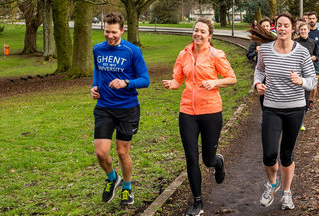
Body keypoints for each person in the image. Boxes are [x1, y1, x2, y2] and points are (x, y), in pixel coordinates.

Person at [162, 18, 237, 216]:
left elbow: (232, 78)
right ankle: (197, 203)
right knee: (191, 159)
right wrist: (172, 84)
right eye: (196, 30)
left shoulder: (216, 54)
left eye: (203, 31)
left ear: (209, 35)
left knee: (207, 159)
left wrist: (215, 83)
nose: (198, 34)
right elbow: (179, 80)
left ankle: (217, 162)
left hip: (211, 112)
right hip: (187, 112)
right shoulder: (183, 54)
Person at [253, 12, 317, 210]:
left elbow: (313, 80)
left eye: (285, 26)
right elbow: (260, 69)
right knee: (269, 155)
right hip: (271, 108)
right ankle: (272, 184)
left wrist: (301, 81)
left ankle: (287, 192)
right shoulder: (265, 49)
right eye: (278, 25)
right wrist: (257, 83)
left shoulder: (301, 52)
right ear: (275, 27)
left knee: (287, 155)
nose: (281, 28)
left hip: (295, 109)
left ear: (293, 29)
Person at [90, 12, 150, 206]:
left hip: (127, 108)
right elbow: (98, 69)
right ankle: (112, 177)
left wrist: (126, 82)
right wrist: (95, 86)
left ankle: (127, 188)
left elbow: (145, 80)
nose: (110, 36)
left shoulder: (132, 51)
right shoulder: (98, 49)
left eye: (114, 32)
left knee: (122, 152)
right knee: (101, 153)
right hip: (104, 107)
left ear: (122, 30)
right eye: (107, 32)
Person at [294, 21, 319, 130]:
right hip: (297, 74)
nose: (303, 31)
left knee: (305, 99)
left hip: (308, 74)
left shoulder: (313, 42)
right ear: (299, 31)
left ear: (308, 31)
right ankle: (293, 121)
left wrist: (315, 58)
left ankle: (301, 122)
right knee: (295, 99)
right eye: (301, 30)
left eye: (305, 29)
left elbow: (317, 56)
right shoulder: (294, 42)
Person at [247, 17, 274, 110]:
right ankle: (265, 116)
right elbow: (249, 56)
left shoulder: (275, 39)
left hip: (273, 72)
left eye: (267, 26)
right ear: (260, 27)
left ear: (270, 27)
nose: (266, 28)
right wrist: (256, 51)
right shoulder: (255, 40)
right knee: (263, 97)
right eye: (264, 26)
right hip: (262, 73)